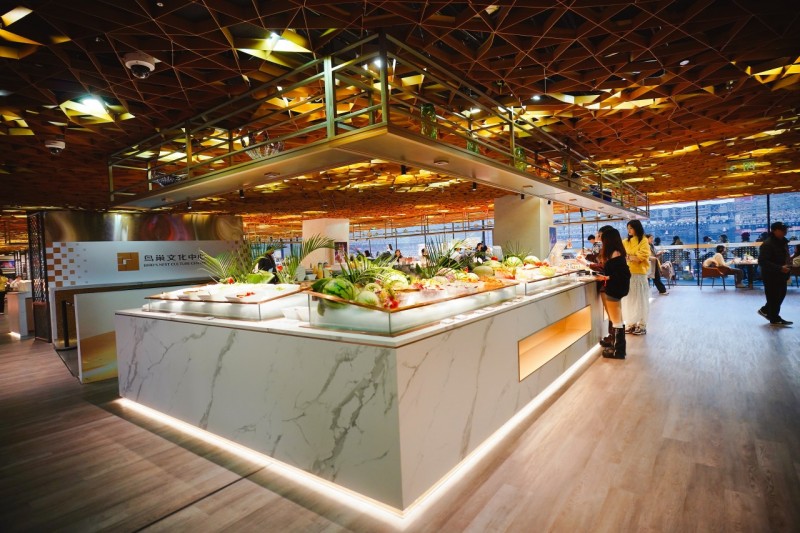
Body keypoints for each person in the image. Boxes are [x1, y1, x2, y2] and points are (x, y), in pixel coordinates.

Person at [595, 228, 631, 359]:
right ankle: (617, 348)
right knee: (617, 319)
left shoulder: (615, 253)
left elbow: (623, 274)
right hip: (616, 288)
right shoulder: (616, 252)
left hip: (614, 289)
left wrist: (605, 278)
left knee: (616, 320)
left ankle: (618, 351)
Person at [757, 222, 792, 326]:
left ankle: (766, 311)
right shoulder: (768, 244)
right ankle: (774, 318)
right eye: (782, 229)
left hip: (782, 274)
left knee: (780, 295)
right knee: (774, 297)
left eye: (785, 229)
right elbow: (762, 261)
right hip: (771, 275)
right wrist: (780, 268)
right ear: (774, 231)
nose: (785, 231)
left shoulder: (782, 242)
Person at [622, 220, 651, 335]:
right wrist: (631, 257)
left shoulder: (643, 240)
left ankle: (642, 325)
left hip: (639, 274)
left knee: (641, 300)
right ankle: (631, 323)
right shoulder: (625, 241)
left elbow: (641, 257)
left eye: (631, 228)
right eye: (628, 228)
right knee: (630, 299)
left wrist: (629, 257)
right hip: (628, 273)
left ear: (637, 228)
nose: (629, 230)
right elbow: (623, 255)